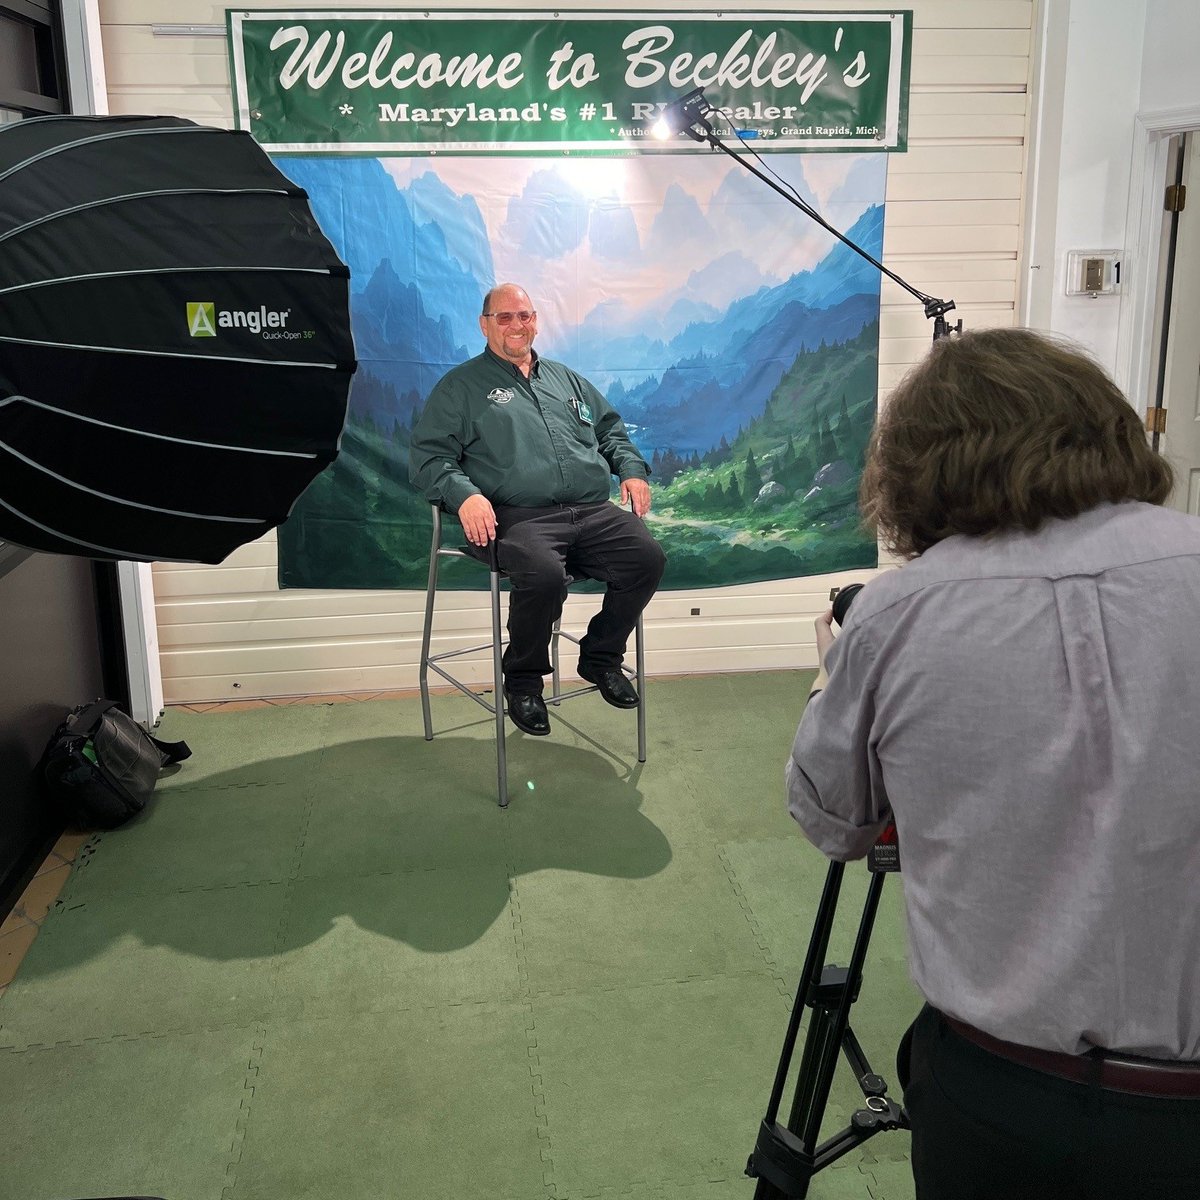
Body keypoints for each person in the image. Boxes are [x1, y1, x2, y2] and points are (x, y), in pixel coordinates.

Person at [785, 327, 1200, 1199]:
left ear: (918, 469)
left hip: (1002, 1096)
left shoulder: (896, 615)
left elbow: (832, 819)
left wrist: (839, 678)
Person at [410, 283, 665, 737]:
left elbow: (610, 431)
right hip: (517, 518)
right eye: (504, 317)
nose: (516, 325)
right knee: (545, 577)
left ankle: (600, 656)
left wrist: (630, 469)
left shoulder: (567, 380)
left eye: (524, 316)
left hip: (591, 511)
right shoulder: (460, 388)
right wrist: (465, 495)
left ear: (536, 321)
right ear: (484, 324)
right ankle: (524, 682)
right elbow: (431, 458)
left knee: (647, 559)